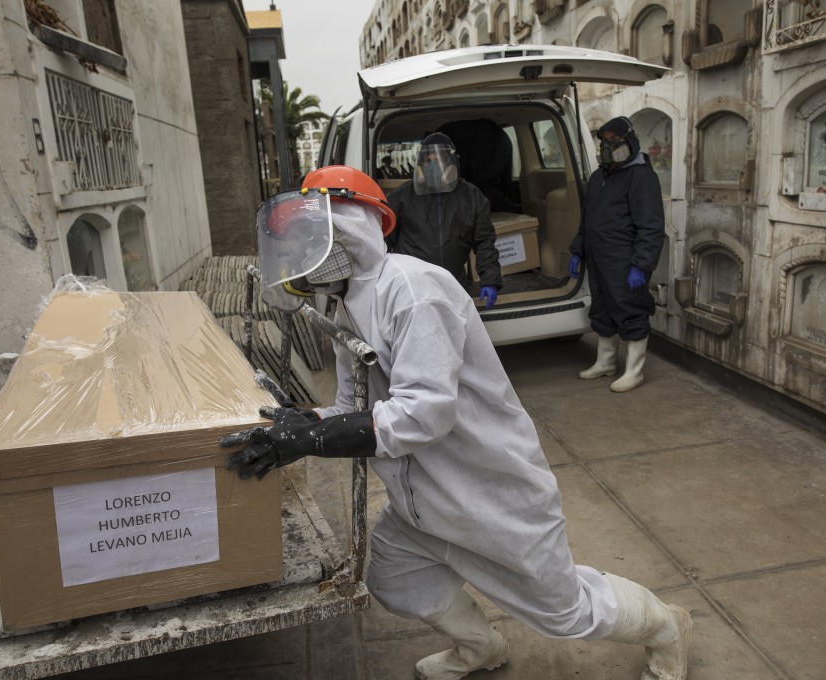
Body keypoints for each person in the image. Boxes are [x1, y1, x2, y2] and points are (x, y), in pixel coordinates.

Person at [222, 165, 692, 680]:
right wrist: (301, 421)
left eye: (316, 235)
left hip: (487, 491)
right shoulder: (345, 307)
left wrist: (310, 439)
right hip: (421, 498)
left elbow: (424, 415)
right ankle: (480, 648)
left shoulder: (415, 291)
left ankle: (668, 627)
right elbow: (354, 405)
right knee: (396, 578)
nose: (305, 253)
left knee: (565, 612)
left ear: (354, 229)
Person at [569, 116, 665, 393]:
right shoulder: (600, 177)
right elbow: (587, 219)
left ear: (629, 142)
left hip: (624, 259)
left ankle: (634, 372)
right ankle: (606, 363)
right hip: (599, 257)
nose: (608, 146)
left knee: (629, 309)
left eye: (614, 141)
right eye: (604, 141)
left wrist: (641, 265)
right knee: (602, 308)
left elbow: (651, 226)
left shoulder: (642, 177)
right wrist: (577, 250)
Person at [386, 132, 502, 310]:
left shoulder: (471, 197)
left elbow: (485, 242)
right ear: (420, 164)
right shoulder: (401, 197)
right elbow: (383, 241)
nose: (431, 165)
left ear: (451, 162)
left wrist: (490, 280)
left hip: (454, 284)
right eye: (427, 160)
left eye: (438, 159)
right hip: (411, 287)